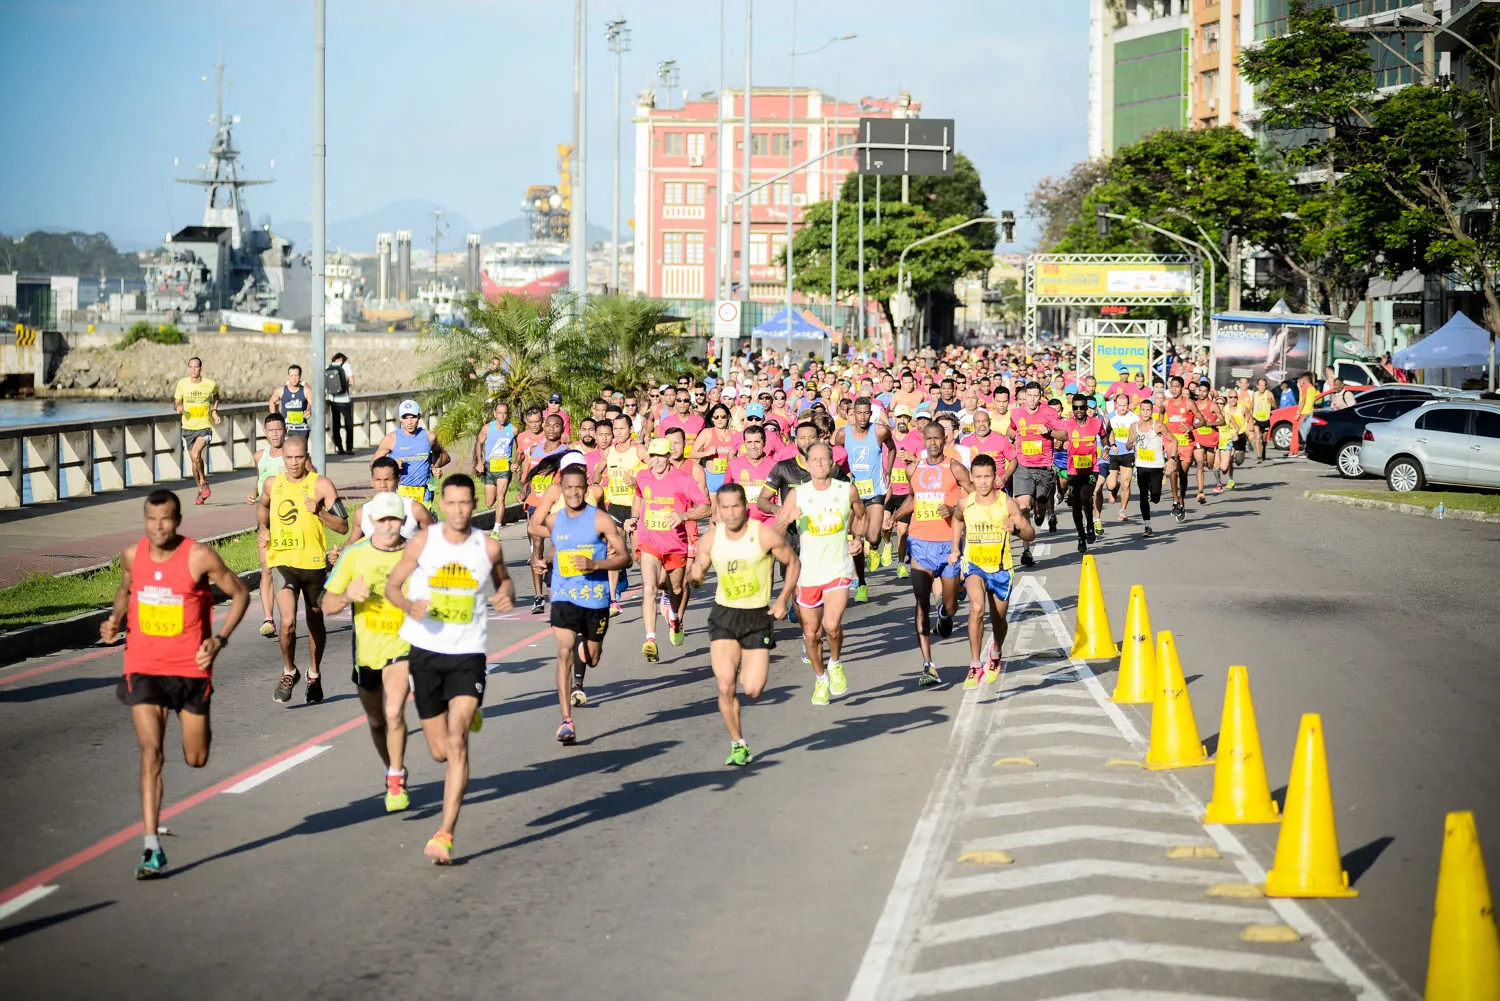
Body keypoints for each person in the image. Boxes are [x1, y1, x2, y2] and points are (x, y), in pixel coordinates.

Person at [100, 489, 248, 878]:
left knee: (196, 758)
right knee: (151, 753)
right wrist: (115, 619)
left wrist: (219, 640)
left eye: (165, 519)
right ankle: (151, 847)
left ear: (178, 520)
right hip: (144, 665)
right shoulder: (133, 554)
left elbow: (239, 594)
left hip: (190, 669)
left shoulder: (198, 557)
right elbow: (126, 587)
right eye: (151, 519)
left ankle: (198, 717)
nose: (158, 526)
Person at [384, 475, 515, 864]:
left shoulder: (487, 546)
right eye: (452, 503)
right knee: (439, 752)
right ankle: (465, 715)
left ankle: (445, 833)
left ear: (475, 504)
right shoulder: (424, 542)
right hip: (425, 651)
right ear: (443, 504)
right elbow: (393, 586)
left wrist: (506, 593)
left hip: (467, 654)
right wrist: (409, 607)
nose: (459, 510)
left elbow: (505, 581)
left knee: (456, 742)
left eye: (465, 503)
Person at [689, 483, 799, 765]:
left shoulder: (763, 536)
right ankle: (738, 743)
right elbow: (699, 568)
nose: (729, 512)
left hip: (756, 617)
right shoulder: (711, 539)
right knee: (725, 686)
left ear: (745, 508)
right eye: (723, 507)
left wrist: (783, 598)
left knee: (752, 688)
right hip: (724, 615)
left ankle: (747, 674)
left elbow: (793, 563)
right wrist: (696, 576)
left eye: (735, 506)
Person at [321, 492, 415, 812]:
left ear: (403, 521)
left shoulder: (416, 554)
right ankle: (393, 766)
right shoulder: (355, 555)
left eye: (394, 519)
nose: (389, 526)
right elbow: (326, 604)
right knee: (376, 721)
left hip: (402, 647)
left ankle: (395, 780)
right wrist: (347, 595)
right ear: (372, 522)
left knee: (394, 713)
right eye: (383, 520)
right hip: (366, 650)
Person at [530, 463, 630, 743]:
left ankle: (587, 646)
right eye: (568, 488)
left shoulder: (600, 520)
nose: (574, 493)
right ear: (561, 491)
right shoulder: (553, 520)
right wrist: (543, 561)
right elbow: (550, 541)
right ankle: (566, 720)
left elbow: (625, 558)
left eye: (579, 488)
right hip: (563, 596)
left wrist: (595, 563)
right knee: (564, 650)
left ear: (586, 489)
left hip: (595, 599)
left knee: (593, 658)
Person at [768, 443, 865, 706]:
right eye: (815, 460)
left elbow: (861, 515)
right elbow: (774, 534)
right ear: (807, 464)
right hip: (808, 573)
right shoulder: (798, 495)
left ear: (833, 463)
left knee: (831, 625)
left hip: (838, 569)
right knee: (811, 633)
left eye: (825, 459)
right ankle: (820, 678)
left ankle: (835, 663)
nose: (820, 464)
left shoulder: (846, 490)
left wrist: (857, 538)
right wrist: (787, 519)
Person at [258, 434, 349, 705]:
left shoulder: (321, 485)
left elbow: (343, 525)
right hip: (283, 563)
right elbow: (262, 508)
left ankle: (314, 674)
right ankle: (289, 671)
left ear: (306, 456)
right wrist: (263, 529)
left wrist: (319, 512)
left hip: (313, 566)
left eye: (299, 457)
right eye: (289, 458)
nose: (294, 463)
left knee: (315, 622)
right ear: (282, 458)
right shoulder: (272, 484)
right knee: (287, 623)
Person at [888, 421, 971, 686]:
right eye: (929, 438)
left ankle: (946, 615)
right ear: (923, 439)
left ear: (945, 439)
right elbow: (914, 499)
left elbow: (973, 496)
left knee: (949, 604)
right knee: (921, 602)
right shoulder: (914, 468)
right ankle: (928, 665)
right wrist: (895, 517)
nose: (933, 442)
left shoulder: (955, 467)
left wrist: (954, 509)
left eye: (938, 438)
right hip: (920, 543)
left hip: (948, 545)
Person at [950, 454, 1034, 689]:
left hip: (1000, 568)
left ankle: (995, 652)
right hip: (974, 565)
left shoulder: (1006, 503)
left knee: (999, 619)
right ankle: (975, 663)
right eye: (978, 477)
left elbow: (1030, 533)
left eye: (987, 476)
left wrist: (1016, 530)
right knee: (976, 607)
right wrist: (955, 548)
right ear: (971, 478)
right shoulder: (965, 503)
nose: (983, 482)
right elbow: (957, 520)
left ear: (995, 477)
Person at [628, 438, 710, 662]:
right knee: (649, 587)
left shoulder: (683, 480)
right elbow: (638, 495)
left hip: (676, 543)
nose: (656, 461)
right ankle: (651, 639)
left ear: (669, 456)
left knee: (675, 588)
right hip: (649, 540)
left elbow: (706, 507)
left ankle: (675, 618)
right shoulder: (643, 476)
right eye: (652, 456)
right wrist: (634, 518)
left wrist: (683, 516)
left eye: (661, 456)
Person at [833, 396, 894, 601]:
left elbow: (892, 448)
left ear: (871, 413)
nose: (861, 417)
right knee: (855, 537)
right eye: (857, 413)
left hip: (875, 490)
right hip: (853, 493)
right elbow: (837, 458)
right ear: (852, 414)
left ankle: (875, 547)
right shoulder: (842, 434)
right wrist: (843, 477)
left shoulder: (880, 431)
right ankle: (861, 583)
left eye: (865, 413)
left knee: (873, 536)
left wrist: (889, 471)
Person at [1008, 382, 1065, 566]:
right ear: (1024, 396)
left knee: (1039, 508)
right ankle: (1026, 552)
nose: (1032, 399)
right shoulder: (1016, 413)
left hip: (1043, 468)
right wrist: (1008, 438)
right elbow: (1011, 429)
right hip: (1023, 467)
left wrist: (1050, 431)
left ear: (1040, 395)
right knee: (1023, 507)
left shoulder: (1049, 413)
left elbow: (1064, 434)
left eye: (1035, 395)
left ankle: (1041, 513)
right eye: (1028, 395)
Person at [519, 413, 571, 614]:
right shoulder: (534, 450)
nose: (550, 429)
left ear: (562, 429)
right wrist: (524, 489)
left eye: (555, 426)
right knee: (536, 549)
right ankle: (538, 596)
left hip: (557, 505)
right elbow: (529, 475)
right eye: (547, 425)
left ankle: (560, 588)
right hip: (535, 504)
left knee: (559, 547)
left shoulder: (566, 452)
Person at [246, 413, 289, 638]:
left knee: (289, 568)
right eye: (270, 430)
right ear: (265, 432)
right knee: (267, 568)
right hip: (266, 519)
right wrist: (254, 492)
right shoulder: (259, 456)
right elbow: (260, 478)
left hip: (291, 519)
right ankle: (268, 618)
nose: (274, 434)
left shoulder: (293, 456)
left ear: (285, 431)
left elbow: (312, 479)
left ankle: (289, 615)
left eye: (278, 429)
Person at [600, 413, 647, 613]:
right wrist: (593, 483)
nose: (617, 432)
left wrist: (637, 480)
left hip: (635, 508)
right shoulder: (609, 451)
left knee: (638, 556)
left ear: (630, 430)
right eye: (615, 429)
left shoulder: (639, 450)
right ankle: (612, 600)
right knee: (613, 552)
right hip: (616, 507)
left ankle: (652, 590)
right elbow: (596, 471)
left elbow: (656, 472)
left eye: (621, 428)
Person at [343, 456, 434, 547]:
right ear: (372, 481)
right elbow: (351, 545)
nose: (383, 485)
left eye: (388, 480)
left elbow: (437, 539)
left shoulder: (415, 509)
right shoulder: (362, 513)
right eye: (378, 480)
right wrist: (338, 554)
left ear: (398, 480)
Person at [374, 399, 450, 508]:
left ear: (419, 416)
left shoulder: (429, 437)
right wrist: (392, 464)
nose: (409, 422)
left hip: (423, 493)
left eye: (413, 417)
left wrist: (434, 467)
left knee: (422, 524)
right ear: (400, 418)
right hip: (399, 492)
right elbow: (374, 464)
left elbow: (444, 457)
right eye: (405, 418)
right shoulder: (390, 439)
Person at [1059, 394, 1106, 554]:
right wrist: (1057, 441)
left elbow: (1105, 435)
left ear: (1087, 408)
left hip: (1091, 469)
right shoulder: (1067, 424)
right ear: (1072, 408)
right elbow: (1058, 438)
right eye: (1075, 407)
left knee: (1086, 497)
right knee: (1076, 505)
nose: (1078, 410)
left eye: (1081, 407)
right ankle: (1081, 535)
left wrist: (1106, 448)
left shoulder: (1096, 422)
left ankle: (1090, 524)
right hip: (1073, 471)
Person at [174, 357, 220, 505]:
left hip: (204, 426)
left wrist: (214, 411)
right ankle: (201, 490)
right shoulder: (182, 383)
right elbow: (177, 401)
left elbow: (216, 395)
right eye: (191, 367)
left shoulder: (209, 384)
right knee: (194, 463)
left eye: (196, 367)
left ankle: (204, 483)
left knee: (196, 454)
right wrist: (179, 407)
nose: (194, 370)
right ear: (188, 368)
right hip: (187, 428)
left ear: (201, 368)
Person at [1130, 399, 1167, 537]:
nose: (1145, 413)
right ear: (1139, 411)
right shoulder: (1134, 426)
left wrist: (1172, 459)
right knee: (1143, 496)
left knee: (1156, 497)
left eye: (1148, 410)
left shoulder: (1158, 426)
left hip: (1156, 465)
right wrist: (1129, 443)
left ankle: (1154, 489)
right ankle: (1147, 525)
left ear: (1152, 411)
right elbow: (1130, 443)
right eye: (1143, 410)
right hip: (1141, 465)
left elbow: (1172, 440)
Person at [475, 400, 517, 514]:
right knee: (489, 502)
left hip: (504, 465)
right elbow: (479, 443)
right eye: (499, 413)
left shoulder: (513, 430)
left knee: (500, 497)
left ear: (507, 414)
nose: (502, 416)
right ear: (495, 414)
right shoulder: (487, 428)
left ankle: (496, 528)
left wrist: (515, 462)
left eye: (504, 413)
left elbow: (520, 447)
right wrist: (479, 462)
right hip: (490, 465)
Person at [1105, 392, 1138, 522]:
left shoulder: (1134, 418)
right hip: (1114, 454)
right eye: (1120, 405)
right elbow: (1104, 435)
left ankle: (1123, 511)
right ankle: (1114, 489)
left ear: (1128, 405)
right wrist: (1108, 446)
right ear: (1115, 405)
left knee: (1126, 484)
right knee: (1110, 485)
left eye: (1125, 405)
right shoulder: (1109, 418)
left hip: (1128, 454)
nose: (1122, 408)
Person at [269, 364, 311, 439]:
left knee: (300, 450)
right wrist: (275, 417)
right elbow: (272, 402)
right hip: (286, 428)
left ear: (300, 376)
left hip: (301, 428)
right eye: (291, 376)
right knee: (286, 450)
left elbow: (314, 404)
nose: (294, 378)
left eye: (296, 375)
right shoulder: (281, 391)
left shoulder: (306, 391)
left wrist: (309, 411)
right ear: (288, 376)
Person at [328, 352, 355, 455]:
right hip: (345, 400)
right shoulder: (346, 366)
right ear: (343, 359)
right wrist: (345, 386)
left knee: (336, 425)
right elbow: (352, 381)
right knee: (348, 425)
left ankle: (339, 448)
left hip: (333, 400)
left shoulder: (329, 367)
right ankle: (349, 448)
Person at [1250, 377, 1276, 461]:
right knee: (1257, 437)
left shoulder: (1269, 394)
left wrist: (1271, 401)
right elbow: (1251, 407)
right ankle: (1259, 456)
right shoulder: (1254, 394)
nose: (1262, 387)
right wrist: (1250, 418)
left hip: (1265, 420)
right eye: (1260, 385)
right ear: (1257, 386)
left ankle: (1263, 449)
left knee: (1263, 440)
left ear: (1266, 386)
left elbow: (1275, 406)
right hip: (1256, 419)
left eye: (1263, 386)